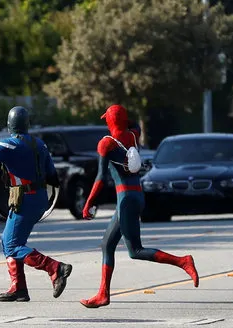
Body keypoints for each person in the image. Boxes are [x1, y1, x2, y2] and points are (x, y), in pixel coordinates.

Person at [80, 104, 199, 308]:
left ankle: (183, 261)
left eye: (106, 119)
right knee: (107, 245)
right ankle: (103, 294)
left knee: (135, 250)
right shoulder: (134, 135)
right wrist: (125, 121)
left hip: (125, 199)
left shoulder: (106, 144)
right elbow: (134, 124)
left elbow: (100, 178)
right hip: (137, 196)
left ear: (109, 121)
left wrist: (89, 202)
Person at [0, 106, 72, 302]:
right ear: (27, 124)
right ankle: (18, 288)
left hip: (24, 200)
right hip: (39, 199)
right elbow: (53, 176)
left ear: (9, 125)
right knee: (7, 240)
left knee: (13, 245)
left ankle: (55, 268)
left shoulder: (9, 145)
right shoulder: (40, 145)